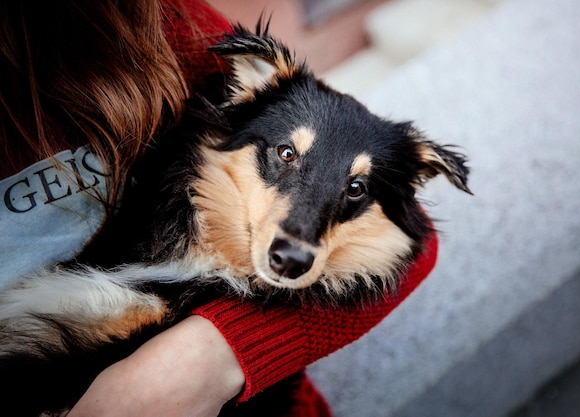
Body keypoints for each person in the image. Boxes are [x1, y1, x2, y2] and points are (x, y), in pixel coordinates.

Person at [0, 0, 439, 416]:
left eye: (355, 188)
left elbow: (415, 239)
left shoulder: (134, 21)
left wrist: (217, 354)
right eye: (286, 156)